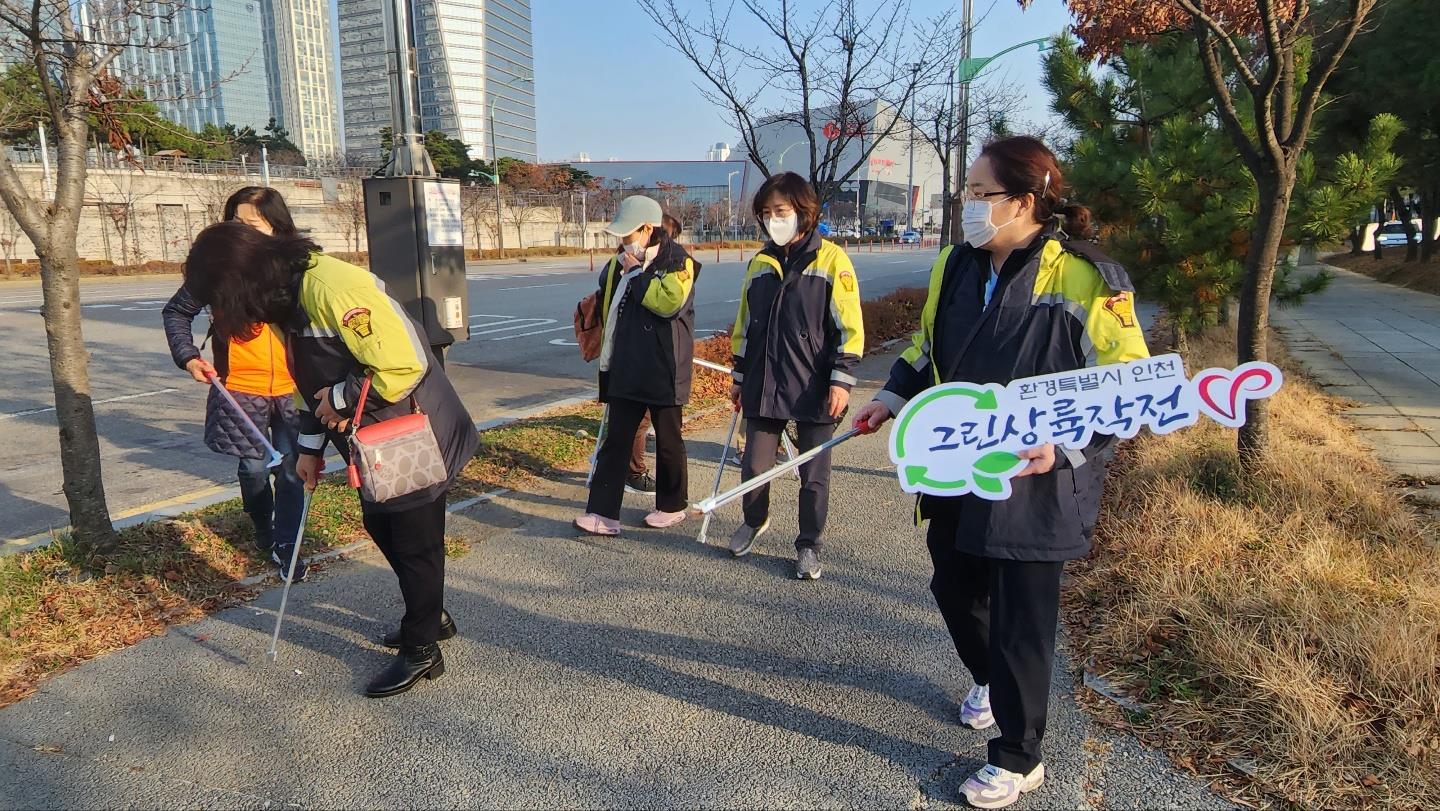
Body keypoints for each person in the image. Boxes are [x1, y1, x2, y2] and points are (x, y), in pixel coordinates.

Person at [851, 136, 1149, 809]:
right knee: (954, 584)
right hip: (958, 464)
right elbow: (930, 346)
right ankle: (990, 676)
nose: (970, 205)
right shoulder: (955, 267)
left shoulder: (1085, 277)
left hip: (1038, 477)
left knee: (1023, 617)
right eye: (969, 193)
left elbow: (1125, 385)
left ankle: (1020, 755)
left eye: (982, 194)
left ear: (1026, 201)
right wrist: (892, 396)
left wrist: (1069, 443)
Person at [181, 221, 479, 699]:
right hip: (373, 437)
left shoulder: (332, 289)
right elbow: (309, 382)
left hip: (413, 431)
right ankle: (428, 614)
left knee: (414, 538)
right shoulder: (284, 298)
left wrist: (338, 397)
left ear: (245, 280)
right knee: (384, 526)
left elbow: (404, 363)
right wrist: (310, 451)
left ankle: (423, 649)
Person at [162, 187, 307, 581]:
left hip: (295, 388)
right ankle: (262, 525)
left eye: (250, 222)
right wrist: (188, 355)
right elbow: (176, 312)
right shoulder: (220, 267)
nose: (241, 229)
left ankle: (287, 544)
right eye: (235, 221)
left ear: (275, 224)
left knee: (293, 469)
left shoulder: (296, 266)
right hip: (240, 388)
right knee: (254, 468)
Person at [727, 172, 864, 580]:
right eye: (767, 213)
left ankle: (809, 544)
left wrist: (842, 379)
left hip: (814, 384)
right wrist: (738, 374)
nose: (774, 219)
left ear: (803, 212)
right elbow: (744, 324)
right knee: (754, 464)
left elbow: (850, 326)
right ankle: (754, 520)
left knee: (813, 474)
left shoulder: (832, 259)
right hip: (764, 381)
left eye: (781, 211)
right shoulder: (760, 263)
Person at [575, 196, 700, 536]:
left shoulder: (679, 261)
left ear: (648, 229)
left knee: (669, 440)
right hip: (627, 365)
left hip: (666, 366)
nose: (622, 240)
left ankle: (672, 506)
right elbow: (610, 305)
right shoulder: (620, 262)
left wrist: (635, 273)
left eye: (627, 233)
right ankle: (602, 514)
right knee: (616, 439)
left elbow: (668, 303)